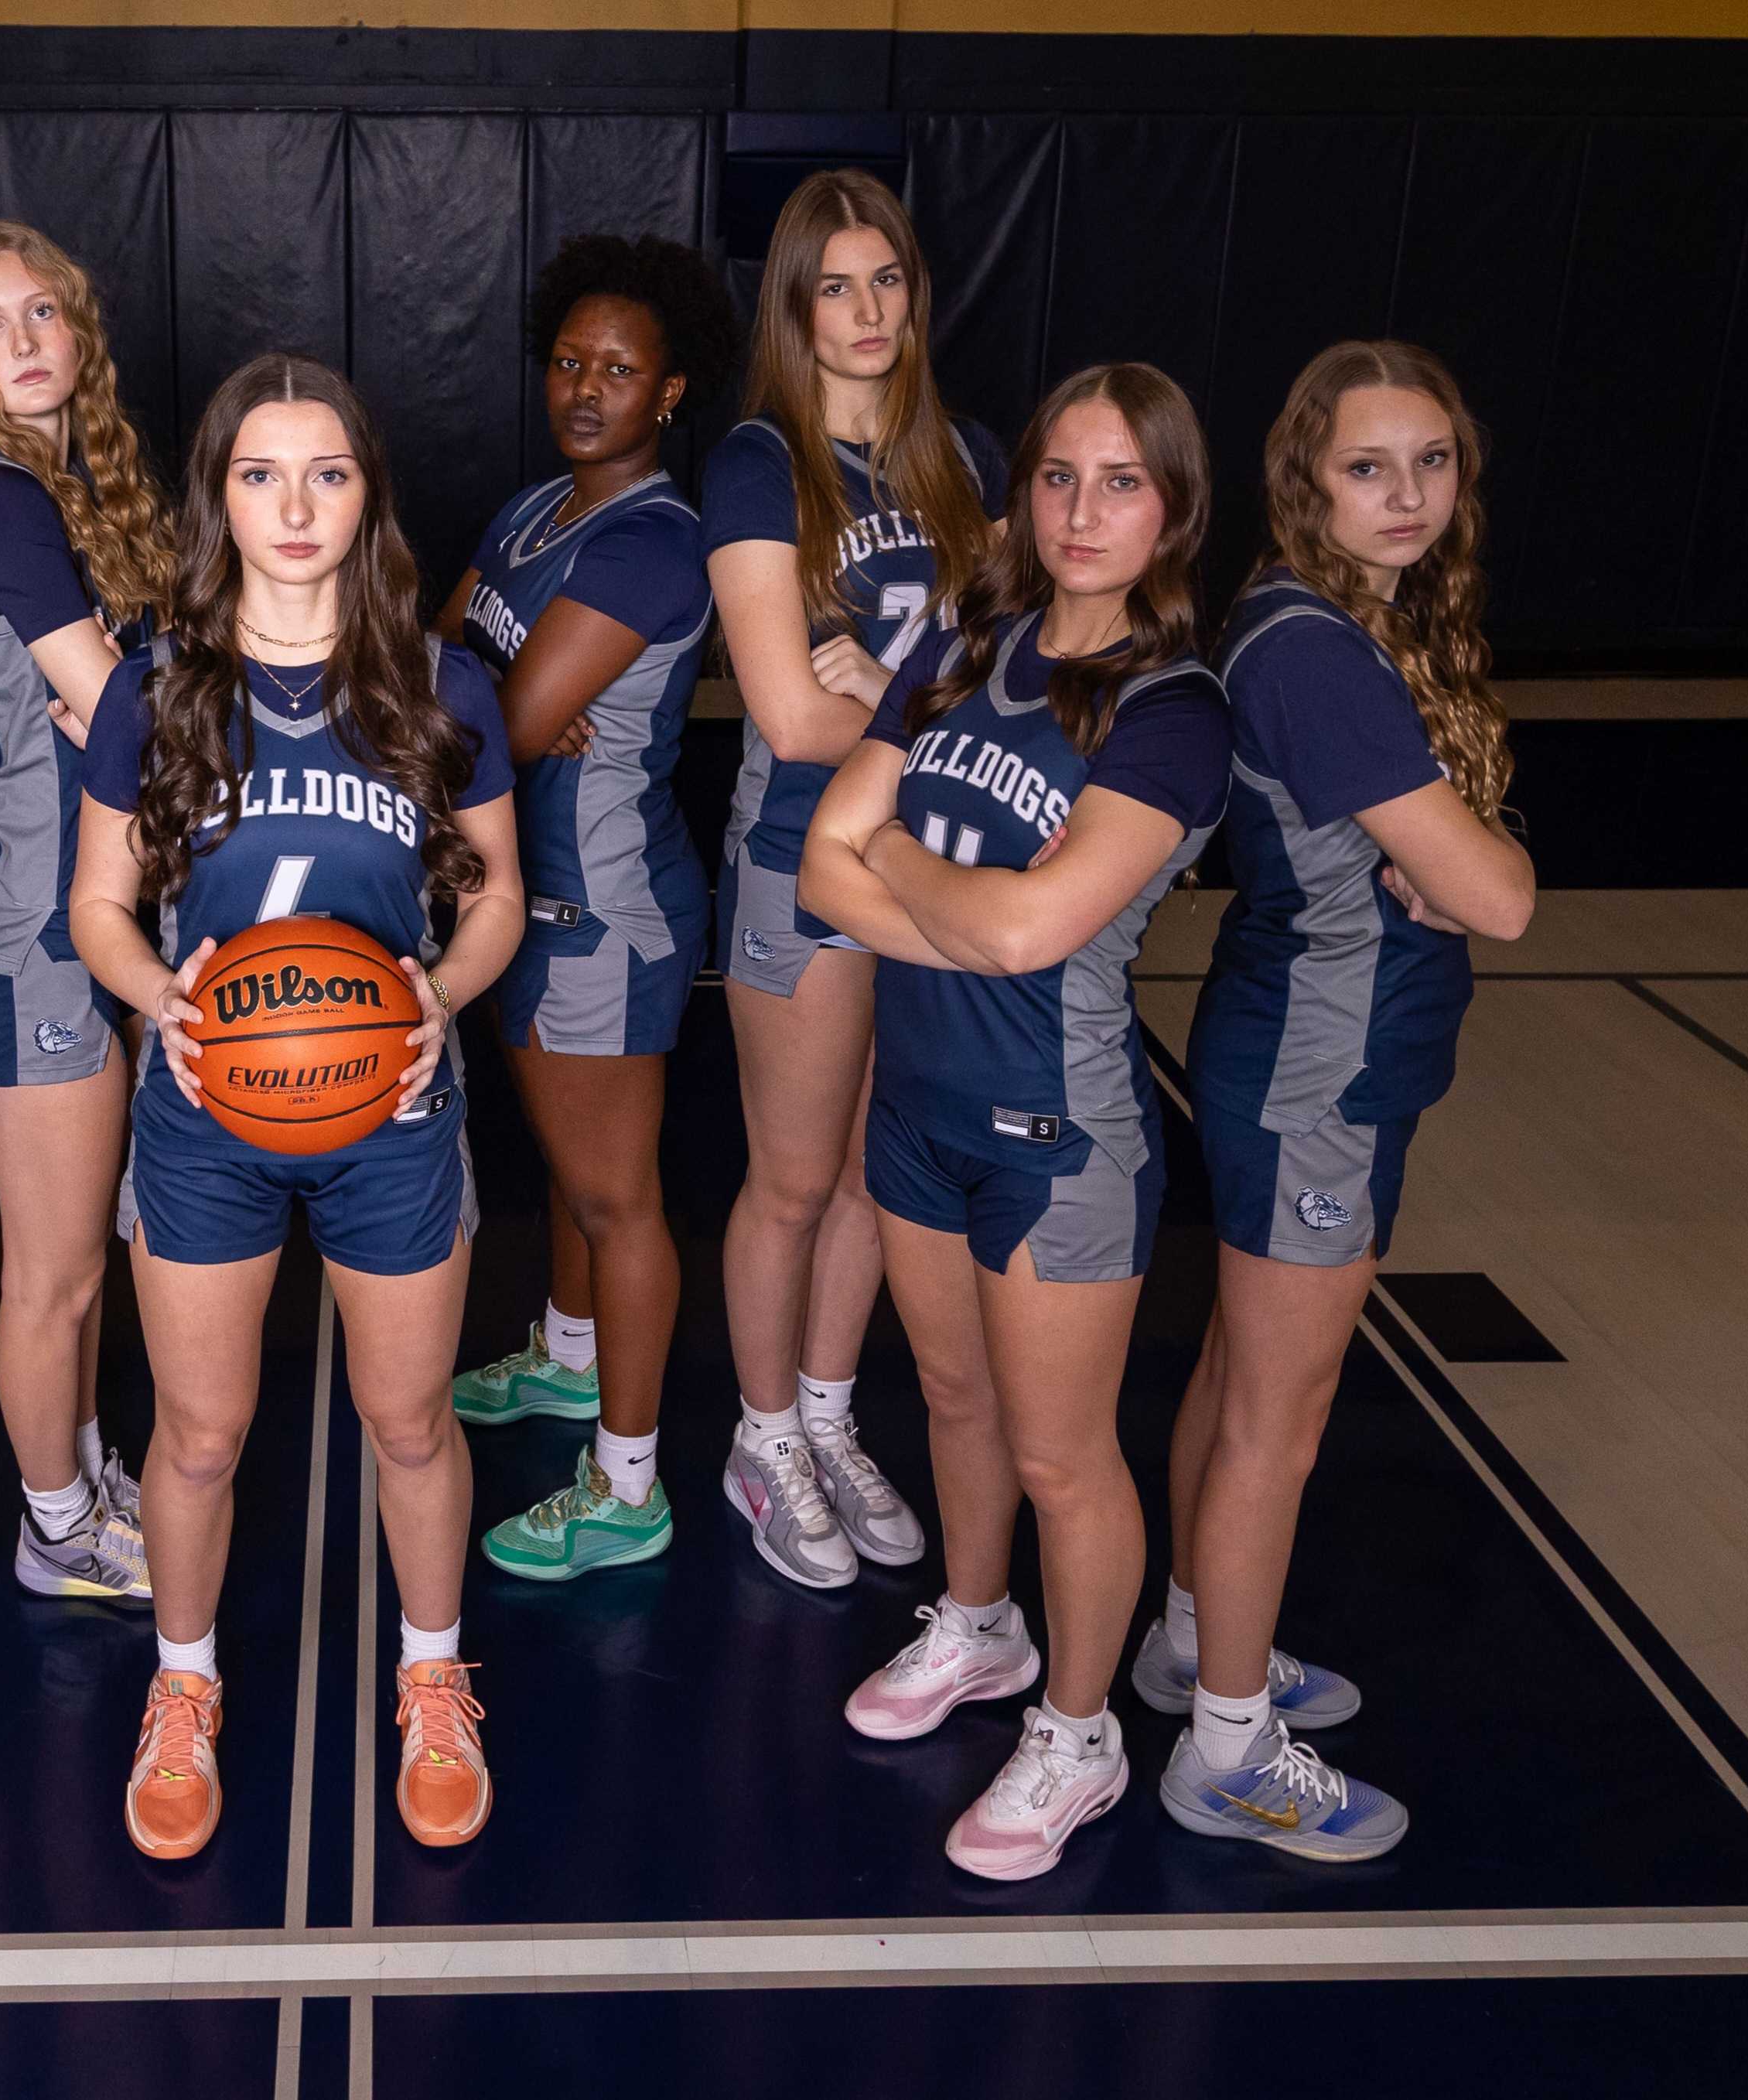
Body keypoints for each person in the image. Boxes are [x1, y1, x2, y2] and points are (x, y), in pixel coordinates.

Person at [67, 353, 524, 1859]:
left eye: (325, 472)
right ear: (219, 498)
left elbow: (497, 896)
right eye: (259, 474)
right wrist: (161, 999)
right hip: (207, 1108)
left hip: (393, 1105)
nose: (294, 504)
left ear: (365, 493)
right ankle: (181, 1685)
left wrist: (436, 999)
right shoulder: (154, 686)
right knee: (198, 1433)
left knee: (409, 1419)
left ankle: (432, 1677)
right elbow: (95, 906)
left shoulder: (439, 682)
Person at [802, 363, 1231, 1882]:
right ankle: (978, 1626)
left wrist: (914, 870)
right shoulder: (961, 641)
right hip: (915, 1109)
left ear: (1173, 508)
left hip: (1056, 1138)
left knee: (1062, 1456)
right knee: (951, 1396)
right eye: (1057, 477)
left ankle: (1077, 1732)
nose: (1081, 511)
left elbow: (1030, 930)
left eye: (1120, 483)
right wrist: (963, 905)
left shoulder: (1171, 714)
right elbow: (821, 860)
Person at [1149, 341, 1531, 1861]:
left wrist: (1456, 859)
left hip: (1332, 1055)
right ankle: (1225, 1750)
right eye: (1366, 466)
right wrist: (1469, 862)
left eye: (1429, 462)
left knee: (1239, 1373)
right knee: (1277, 1419)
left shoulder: (1359, 619)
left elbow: (1462, 870)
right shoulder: (1307, 646)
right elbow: (1497, 894)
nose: (1404, 494)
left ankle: (1194, 1641)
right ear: (1303, 476)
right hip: (1316, 1071)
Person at [702, 169, 1002, 1587]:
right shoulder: (758, 463)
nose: (866, 310)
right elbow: (785, 715)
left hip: (928, 865)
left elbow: (1009, 687)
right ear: (796, 307)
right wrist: (929, 707)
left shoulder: (972, 461)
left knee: (883, 1174)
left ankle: (826, 1415)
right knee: (793, 1177)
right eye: (836, 286)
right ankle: (761, 1437)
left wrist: (882, 687)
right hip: (801, 862)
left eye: (885, 280)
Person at [432, 233, 738, 1580]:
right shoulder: (533, 511)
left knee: (617, 1199)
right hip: (528, 889)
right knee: (568, 1165)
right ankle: (567, 1362)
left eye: (618, 370)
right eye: (568, 362)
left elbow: (487, 724)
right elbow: (439, 661)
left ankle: (626, 1487)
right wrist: (485, 706)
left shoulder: (655, 541)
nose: (585, 388)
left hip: (601, 909)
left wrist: (495, 712)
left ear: (669, 391)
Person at [0, 219, 175, 1600]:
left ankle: (75, 1473)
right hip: (34, 928)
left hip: (91, 904)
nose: (21, 344)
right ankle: (53, 1528)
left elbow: (135, 712)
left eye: (40, 313)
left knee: (79, 1268)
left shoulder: (75, 484)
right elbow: (122, 708)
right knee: (54, 1272)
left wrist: (145, 710)